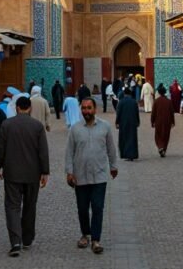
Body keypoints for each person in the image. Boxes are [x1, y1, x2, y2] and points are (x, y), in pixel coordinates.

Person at [0, 96, 50, 257]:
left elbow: (0, 149)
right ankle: (27, 238)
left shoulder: (6, 125)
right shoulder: (37, 126)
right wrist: (45, 171)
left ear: (17, 108)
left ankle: (15, 241)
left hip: (12, 173)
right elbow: (43, 151)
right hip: (32, 174)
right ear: (30, 109)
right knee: (29, 206)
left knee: (12, 206)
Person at [65, 97, 118, 255]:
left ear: (95, 109)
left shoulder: (105, 127)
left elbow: (111, 148)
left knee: (97, 207)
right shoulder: (75, 129)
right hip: (80, 176)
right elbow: (69, 152)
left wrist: (113, 166)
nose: (86, 111)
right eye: (84, 108)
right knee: (82, 208)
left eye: (89, 108)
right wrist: (69, 171)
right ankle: (85, 234)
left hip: (99, 175)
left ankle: (96, 239)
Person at [115, 87, 140, 161]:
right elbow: (136, 113)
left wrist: (117, 122)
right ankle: (132, 154)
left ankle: (126, 154)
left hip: (123, 123)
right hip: (133, 122)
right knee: (132, 138)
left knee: (124, 138)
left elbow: (118, 113)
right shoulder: (134, 102)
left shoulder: (121, 102)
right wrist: (138, 121)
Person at [151, 85, 175, 157]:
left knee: (158, 135)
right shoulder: (169, 102)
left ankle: (160, 147)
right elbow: (172, 113)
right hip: (167, 121)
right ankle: (164, 148)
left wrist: (152, 121)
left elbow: (153, 113)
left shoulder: (156, 101)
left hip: (158, 121)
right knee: (166, 135)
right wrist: (173, 122)